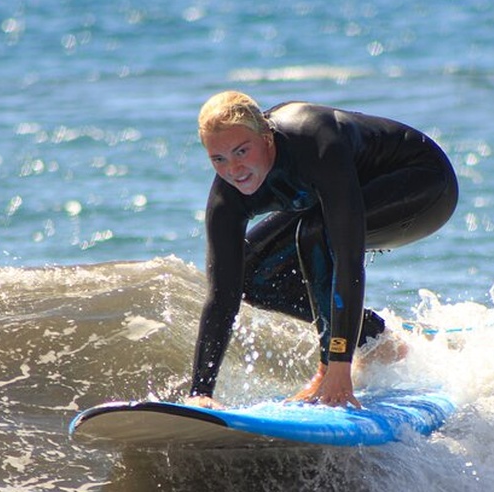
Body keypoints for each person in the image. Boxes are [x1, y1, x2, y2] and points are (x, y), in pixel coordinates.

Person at [185, 91, 458, 409]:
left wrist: (338, 367)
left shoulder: (314, 142)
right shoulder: (227, 199)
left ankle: (331, 364)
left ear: (267, 138)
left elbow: (347, 257)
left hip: (426, 184)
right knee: (247, 277)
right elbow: (222, 296)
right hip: (336, 200)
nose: (234, 169)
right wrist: (200, 392)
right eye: (218, 159)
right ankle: (373, 338)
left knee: (317, 232)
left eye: (242, 151)